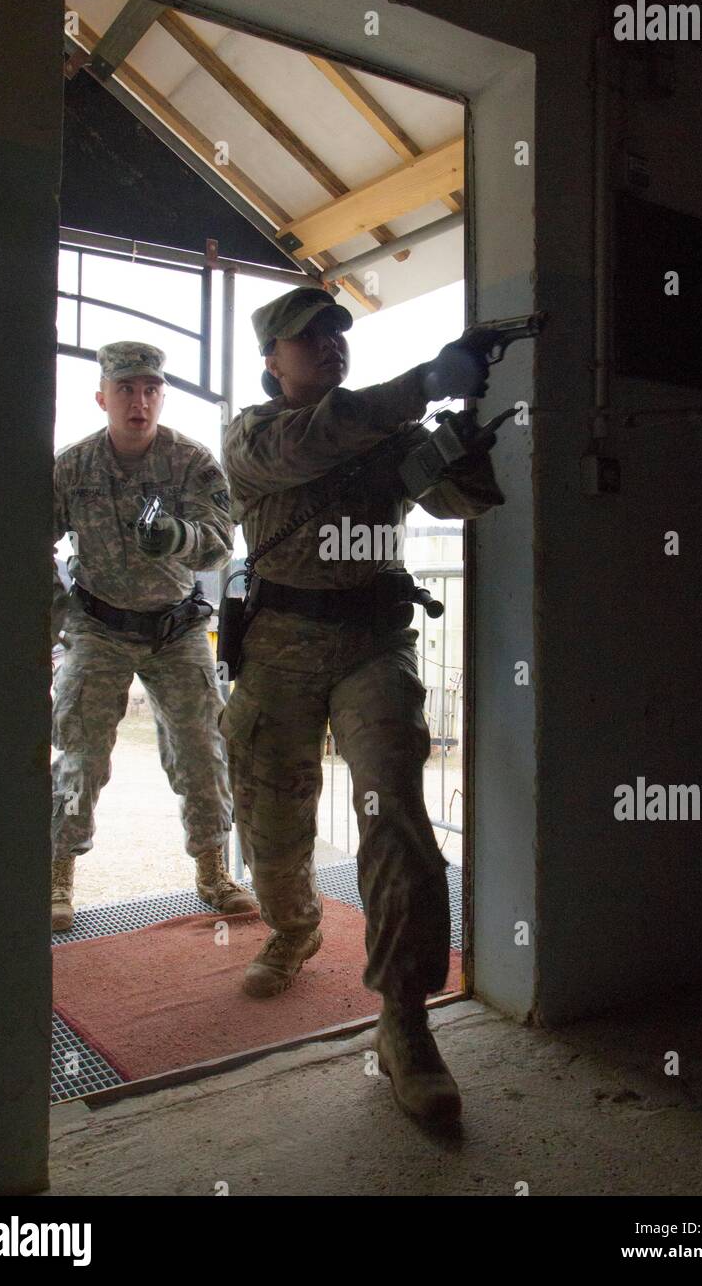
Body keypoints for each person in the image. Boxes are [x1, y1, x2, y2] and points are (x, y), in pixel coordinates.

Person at [220, 287, 504, 1122]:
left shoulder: (390, 428)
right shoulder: (256, 434)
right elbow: (320, 440)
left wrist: (463, 440)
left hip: (373, 644)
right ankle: (293, 925)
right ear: (272, 362)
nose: (327, 347)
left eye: (337, 335)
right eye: (307, 340)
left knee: (396, 816)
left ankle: (405, 1021)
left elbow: (464, 502)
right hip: (275, 650)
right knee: (272, 823)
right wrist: (426, 383)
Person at [51, 340, 259, 930]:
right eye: (125, 390)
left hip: (176, 627)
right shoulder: (73, 466)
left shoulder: (190, 461)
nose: (138, 402)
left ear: (161, 396)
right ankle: (58, 875)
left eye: (149, 390)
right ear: (102, 398)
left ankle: (214, 872)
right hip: (98, 626)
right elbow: (29, 538)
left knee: (201, 749)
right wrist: (57, 612)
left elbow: (220, 539)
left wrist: (179, 538)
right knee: (81, 754)